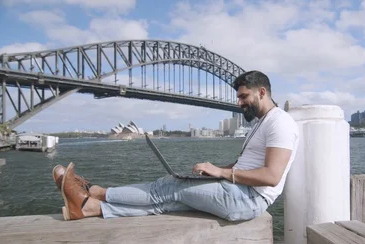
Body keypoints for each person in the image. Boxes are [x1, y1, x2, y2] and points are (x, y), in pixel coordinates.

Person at [53, 70, 299, 221]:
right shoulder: (261, 122)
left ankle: (96, 191)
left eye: (244, 97)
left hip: (248, 200)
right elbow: (244, 165)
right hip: (238, 191)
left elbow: (272, 176)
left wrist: (223, 173)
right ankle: (88, 209)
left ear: (262, 92)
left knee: (166, 187)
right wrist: (215, 169)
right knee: (166, 203)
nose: (239, 103)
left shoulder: (281, 123)